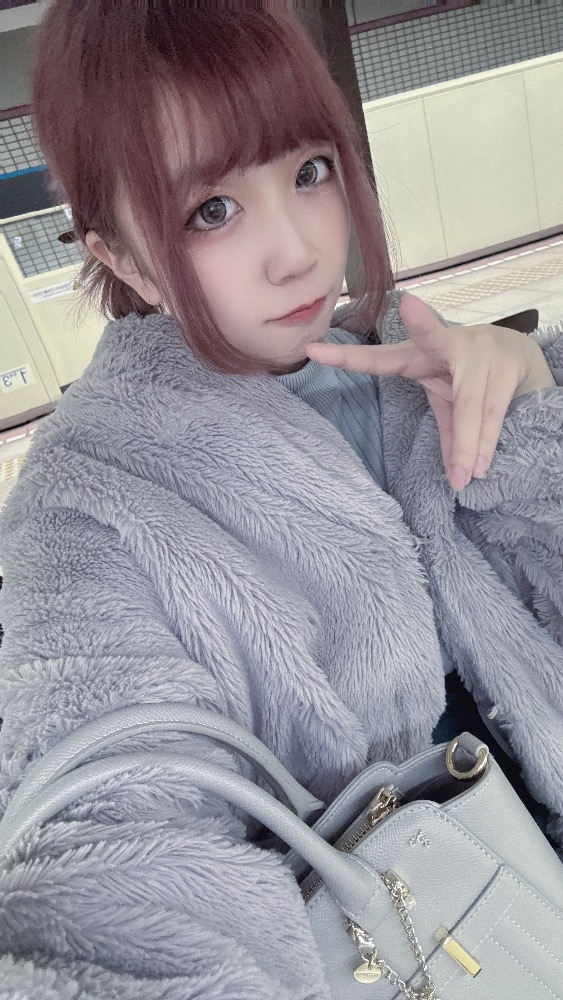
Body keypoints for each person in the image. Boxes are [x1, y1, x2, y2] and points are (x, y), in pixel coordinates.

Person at [0, 5, 561, 998]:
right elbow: (111, 869)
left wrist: (531, 411)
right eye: (212, 210)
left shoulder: (413, 364)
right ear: (122, 257)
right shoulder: (87, 512)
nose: (299, 250)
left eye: (309, 170)